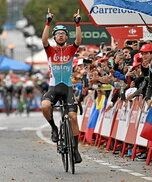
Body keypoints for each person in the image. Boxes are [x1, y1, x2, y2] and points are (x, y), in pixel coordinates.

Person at [41, 8, 82, 163]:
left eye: (63, 34)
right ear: (55, 37)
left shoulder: (71, 50)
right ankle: (54, 128)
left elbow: (78, 40)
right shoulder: (50, 51)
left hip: (68, 88)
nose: (60, 35)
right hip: (53, 88)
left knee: (72, 117)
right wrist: (48, 22)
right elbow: (43, 40)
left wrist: (77, 24)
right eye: (58, 34)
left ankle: (76, 151)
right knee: (45, 106)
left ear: (66, 37)